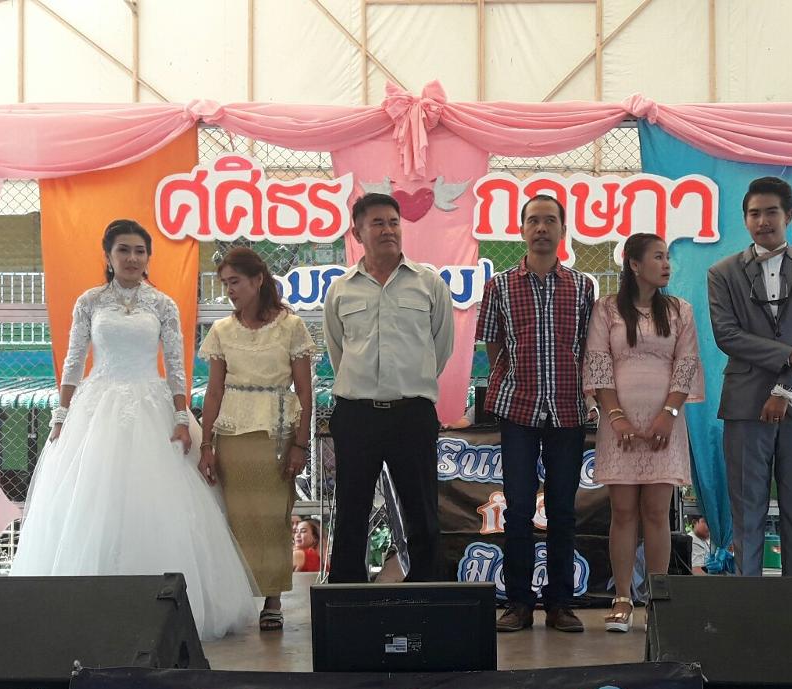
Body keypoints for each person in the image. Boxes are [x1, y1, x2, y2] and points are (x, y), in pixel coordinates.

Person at [9, 219, 254, 639]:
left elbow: (175, 365)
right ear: (108, 256)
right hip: (97, 408)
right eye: (123, 250)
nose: (132, 258)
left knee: (157, 504)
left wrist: (182, 418)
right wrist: (61, 416)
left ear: (148, 257)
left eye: (140, 251)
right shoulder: (89, 302)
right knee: (92, 504)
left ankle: (161, 610)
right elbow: (74, 360)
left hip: (151, 407)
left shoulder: (163, 304)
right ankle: (90, 604)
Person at [477, 195, 596, 633]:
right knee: (519, 510)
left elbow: (589, 346)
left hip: (567, 408)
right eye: (533, 221)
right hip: (518, 409)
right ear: (522, 229)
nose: (541, 228)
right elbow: (493, 342)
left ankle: (560, 603)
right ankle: (519, 604)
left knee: (563, 510)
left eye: (550, 221)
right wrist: (512, 380)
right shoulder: (500, 285)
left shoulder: (582, 287)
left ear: (563, 229)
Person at [707, 176, 792, 578]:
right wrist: (790, 356)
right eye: (754, 213)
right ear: (745, 219)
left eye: (771, 212)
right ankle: (750, 598)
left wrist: (786, 386)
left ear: (789, 215)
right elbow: (727, 335)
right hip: (746, 404)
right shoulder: (722, 272)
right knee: (747, 510)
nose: (762, 221)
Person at [323, 192, 454, 583]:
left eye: (393, 222)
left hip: (411, 413)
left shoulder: (428, 283)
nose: (388, 230)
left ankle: (425, 592)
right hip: (357, 415)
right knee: (351, 512)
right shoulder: (341, 289)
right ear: (357, 233)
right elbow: (337, 350)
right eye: (377, 223)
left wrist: (409, 382)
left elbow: (441, 347)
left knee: (422, 511)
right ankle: (347, 595)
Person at [583, 233, 704, 631]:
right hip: (619, 424)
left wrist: (669, 413)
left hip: (664, 423)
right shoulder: (606, 309)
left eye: (667, 257)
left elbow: (686, 363)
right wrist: (616, 416)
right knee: (622, 512)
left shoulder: (680, 310)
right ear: (634, 265)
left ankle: (657, 599)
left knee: (656, 512)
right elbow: (598, 362)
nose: (666, 264)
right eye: (658, 257)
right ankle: (622, 598)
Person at [198, 247, 314, 631]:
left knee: (273, 517)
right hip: (232, 435)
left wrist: (300, 444)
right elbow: (213, 392)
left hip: (277, 434)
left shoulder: (291, 327)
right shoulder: (221, 331)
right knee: (235, 518)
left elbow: (304, 390)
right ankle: (236, 599)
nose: (229, 290)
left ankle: (272, 599)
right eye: (225, 284)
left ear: (258, 279)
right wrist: (206, 445)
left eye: (235, 281)